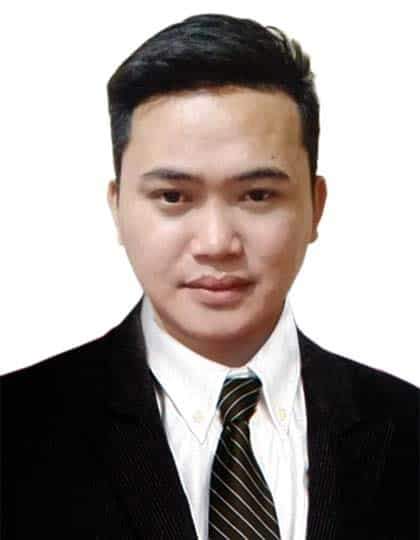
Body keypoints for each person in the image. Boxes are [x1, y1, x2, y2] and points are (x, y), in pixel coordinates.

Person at [1, 13, 418, 540]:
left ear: (315, 206)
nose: (217, 242)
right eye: (174, 197)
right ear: (118, 208)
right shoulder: (15, 431)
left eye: (258, 195)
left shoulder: (408, 429)